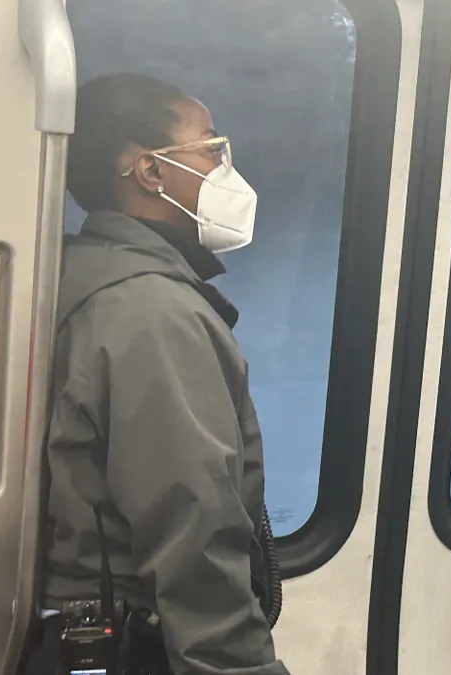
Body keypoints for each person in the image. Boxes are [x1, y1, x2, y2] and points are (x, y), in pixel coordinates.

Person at [27, 72, 289, 675]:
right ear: (150, 171)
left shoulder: (87, 272)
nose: (224, 167)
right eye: (209, 146)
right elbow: (192, 533)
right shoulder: (154, 313)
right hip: (139, 646)